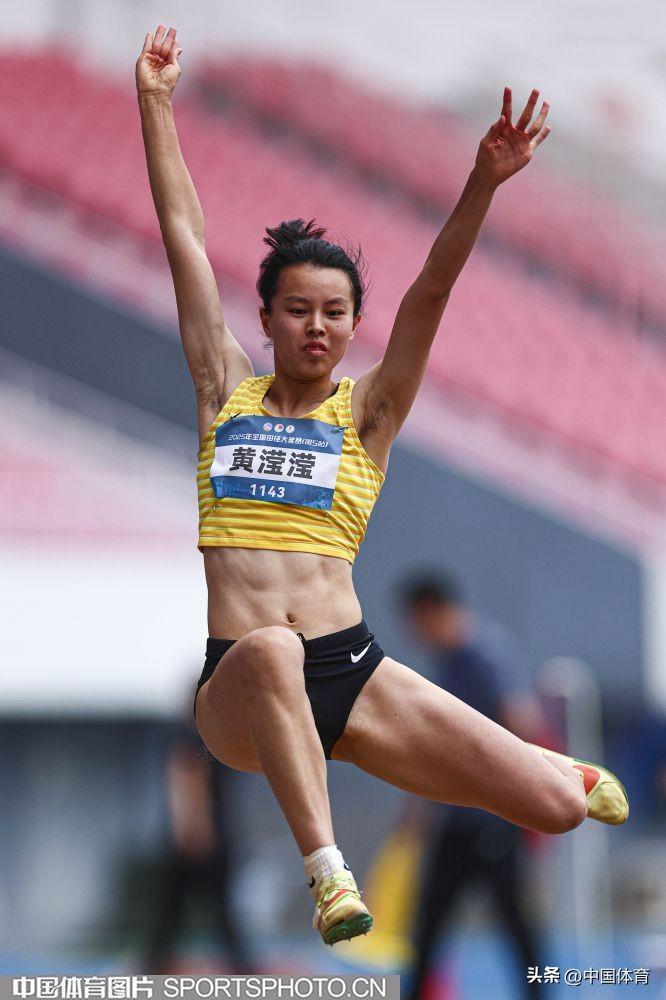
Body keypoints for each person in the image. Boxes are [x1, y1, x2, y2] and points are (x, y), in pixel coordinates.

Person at [136, 25, 629, 947]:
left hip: (351, 669)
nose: (316, 327)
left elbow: (430, 293)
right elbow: (184, 241)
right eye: (297, 310)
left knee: (558, 810)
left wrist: (483, 182)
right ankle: (328, 874)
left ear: (353, 323)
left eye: (335, 312)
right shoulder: (222, 392)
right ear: (266, 318)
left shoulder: (367, 415)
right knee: (273, 650)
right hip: (240, 684)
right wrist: (156, 103)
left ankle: (548, 767)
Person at [397, 571, 546, 1000]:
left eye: (416, 622)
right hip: (458, 818)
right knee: (430, 919)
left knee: (515, 922)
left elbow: (522, 722)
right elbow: (438, 748)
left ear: (431, 612)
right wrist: (421, 807)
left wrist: (519, 795)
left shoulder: (484, 654)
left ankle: (540, 993)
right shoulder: (447, 662)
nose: (415, 633)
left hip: (493, 819)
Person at [143, 699, 254, 973]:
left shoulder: (209, 742)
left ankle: (155, 964)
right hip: (198, 838)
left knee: (187, 912)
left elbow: (189, 780)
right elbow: (187, 780)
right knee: (179, 912)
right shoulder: (196, 742)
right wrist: (193, 830)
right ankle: (240, 968)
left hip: (203, 837)